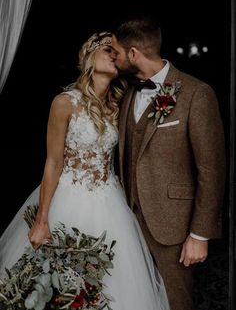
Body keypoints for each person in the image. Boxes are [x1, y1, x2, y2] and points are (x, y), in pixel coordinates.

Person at [0, 31, 170, 310]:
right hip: (67, 200)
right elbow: (53, 162)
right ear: (89, 56)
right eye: (107, 49)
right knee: (56, 286)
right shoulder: (64, 102)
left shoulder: (119, 103)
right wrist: (42, 220)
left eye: (117, 52)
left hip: (110, 203)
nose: (114, 55)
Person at [111, 17, 226, 310]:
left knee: (175, 302)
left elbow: (212, 169)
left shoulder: (196, 93)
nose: (115, 58)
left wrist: (199, 234)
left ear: (134, 54)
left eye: (117, 52)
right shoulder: (127, 94)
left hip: (173, 225)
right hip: (126, 221)